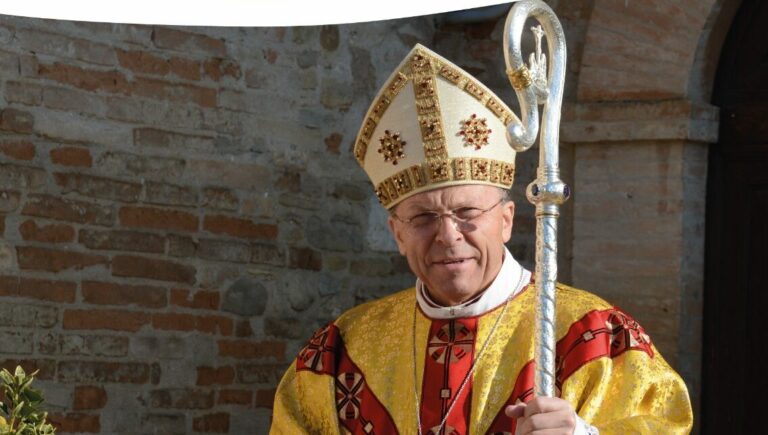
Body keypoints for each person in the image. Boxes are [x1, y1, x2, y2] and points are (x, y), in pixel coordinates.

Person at [270, 44, 693, 434]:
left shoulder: (594, 336)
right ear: (396, 233)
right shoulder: (340, 351)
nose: (447, 235)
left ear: (507, 220)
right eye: (422, 218)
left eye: (467, 213)